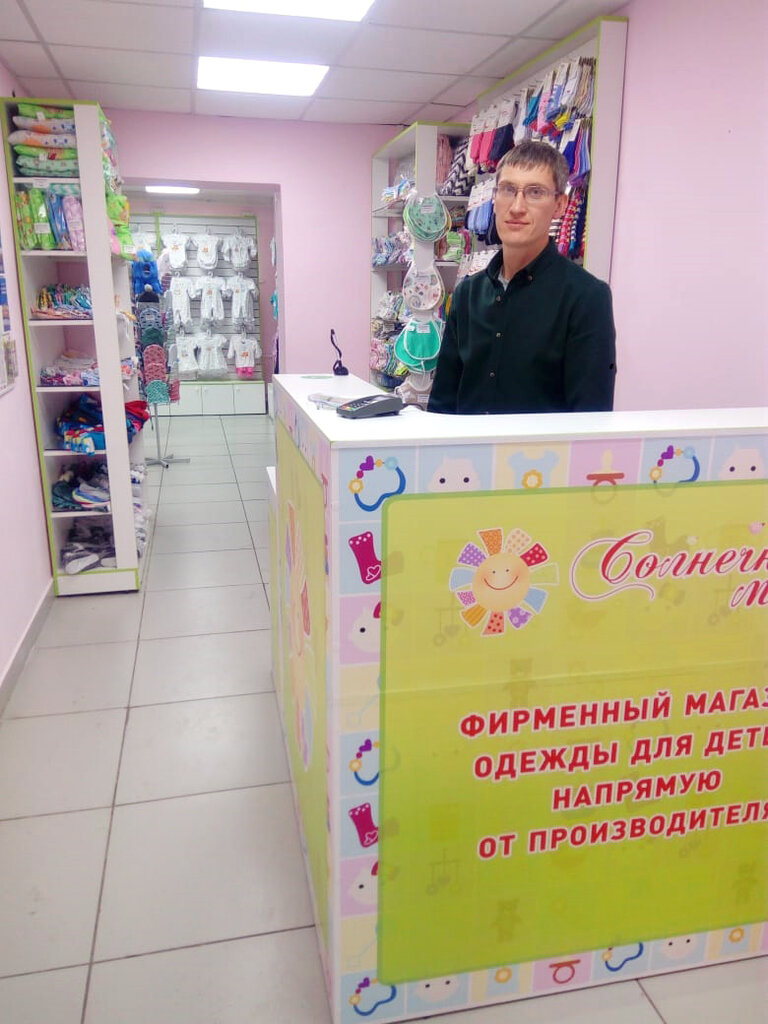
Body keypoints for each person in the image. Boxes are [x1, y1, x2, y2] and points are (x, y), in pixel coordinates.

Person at [427, 140, 616, 415]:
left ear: (560, 205)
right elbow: (442, 404)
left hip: (543, 446)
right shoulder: (467, 295)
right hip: (467, 445)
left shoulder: (586, 298)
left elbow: (591, 416)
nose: (517, 207)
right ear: (494, 199)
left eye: (535, 192)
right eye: (508, 190)